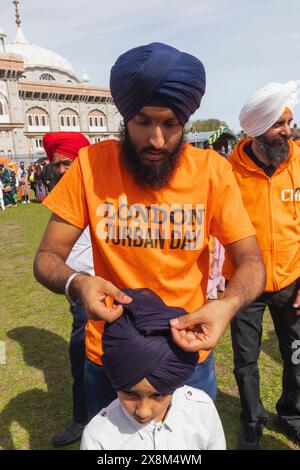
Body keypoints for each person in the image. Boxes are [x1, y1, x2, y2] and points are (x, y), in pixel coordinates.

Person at [34, 42, 265, 424]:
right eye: (143, 122)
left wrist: (226, 306)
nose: (157, 140)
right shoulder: (91, 166)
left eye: (170, 124)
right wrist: (79, 284)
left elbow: (252, 261)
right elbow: (46, 258)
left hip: (187, 356)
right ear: (125, 117)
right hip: (109, 357)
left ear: (185, 122)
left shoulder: (212, 171)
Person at [223, 80, 300, 449]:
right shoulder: (228, 171)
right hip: (244, 284)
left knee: (297, 356)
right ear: (255, 129)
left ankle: (292, 414)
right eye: (279, 123)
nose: (288, 130)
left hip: (292, 281)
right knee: (245, 360)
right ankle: (252, 420)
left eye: (289, 121)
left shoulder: (299, 162)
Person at [81, 288, 226, 450]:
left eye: (158, 394)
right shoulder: (98, 438)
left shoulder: (202, 411)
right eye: (130, 392)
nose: (143, 412)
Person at [42, 131, 92, 447]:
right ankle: (81, 419)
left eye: (68, 162)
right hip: (78, 293)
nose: (62, 170)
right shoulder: (62, 199)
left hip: (113, 289)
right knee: (80, 360)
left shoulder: (105, 191)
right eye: (57, 164)